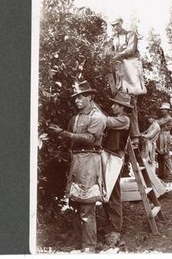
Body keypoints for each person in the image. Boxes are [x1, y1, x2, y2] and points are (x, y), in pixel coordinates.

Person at [48, 81, 107, 253]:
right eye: (75, 98)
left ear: (90, 97)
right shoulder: (77, 117)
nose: (77, 100)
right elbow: (72, 140)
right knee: (74, 200)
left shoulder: (97, 117)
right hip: (76, 160)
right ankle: (77, 240)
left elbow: (90, 138)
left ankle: (89, 246)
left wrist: (63, 133)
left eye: (81, 97)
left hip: (89, 160)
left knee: (87, 203)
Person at [102, 90, 133, 247]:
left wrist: (93, 110)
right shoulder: (117, 118)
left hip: (115, 158)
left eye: (115, 104)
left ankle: (115, 229)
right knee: (106, 191)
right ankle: (111, 225)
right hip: (108, 155)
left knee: (113, 193)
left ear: (122, 107)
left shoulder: (124, 120)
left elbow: (106, 121)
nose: (112, 106)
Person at [108, 17, 145, 139]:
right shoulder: (113, 38)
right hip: (120, 70)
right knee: (119, 99)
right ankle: (121, 131)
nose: (115, 27)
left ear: (121, 23)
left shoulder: (130, 34)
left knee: (132, 101)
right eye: (112, 25)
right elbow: (110, 52)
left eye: (116, 25)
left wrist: (118, 55)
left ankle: (135, 133)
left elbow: (131, 49)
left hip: (130, 69)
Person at [157, 102, 172, 179]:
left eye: (164, 109)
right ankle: (161, 174)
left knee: (166, 155)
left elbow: (158, 123)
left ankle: (170, 174)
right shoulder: (163, 118)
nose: (162, 111)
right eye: (162, 109)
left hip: (165, 136)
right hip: (160, 135)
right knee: (160, 155)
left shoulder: (168, 118)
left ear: (167, 110)